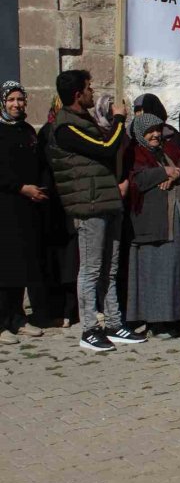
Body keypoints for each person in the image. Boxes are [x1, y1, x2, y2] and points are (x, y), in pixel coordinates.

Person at [47, 70, 146, 351]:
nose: (93, 92)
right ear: (78, 94)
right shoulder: (66, 126)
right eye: (89, 88)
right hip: (90, 204)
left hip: (107, 200)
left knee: (110, 268)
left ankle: (114, 323)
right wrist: (119, 118)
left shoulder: (84, 120)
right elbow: (105, 148)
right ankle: (90, 328)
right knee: (90, 269)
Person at [124, 113, 180, 339]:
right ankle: (158, 322)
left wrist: (176, 175)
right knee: (157, 271)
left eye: (158, 129)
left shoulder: (170, 150)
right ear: (140, 133)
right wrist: (162, 172)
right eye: (150, 131)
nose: (155, 134)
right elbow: (136, 180)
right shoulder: (135, 153)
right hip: (154, 225)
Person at [0, 81, 47, 343]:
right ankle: (1, 322)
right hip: (6, 206)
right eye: (11, 100)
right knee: (4, 266)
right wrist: (20, 187)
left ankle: (18, 318)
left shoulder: (27, 130)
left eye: (20, 99)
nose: (16, 104)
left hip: (27, 207)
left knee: (21, 265)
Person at [37, 96, 79, 327]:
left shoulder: (74, 131)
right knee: (55, 260)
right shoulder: (47, 132)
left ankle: (71, 310)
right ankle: (57, 310)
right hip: (52, 204)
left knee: (71, 260)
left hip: (71, 202)